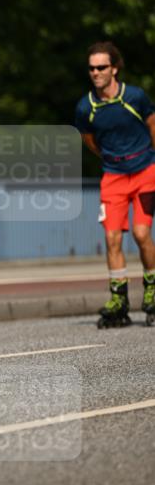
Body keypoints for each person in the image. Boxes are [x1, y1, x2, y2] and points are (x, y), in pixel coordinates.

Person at [74, 42, 155, 327]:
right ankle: (119, 298)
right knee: (111, 239)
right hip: (113, 176)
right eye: (92, 68)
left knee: (142, 233)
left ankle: (152, 290)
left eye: (101, 67)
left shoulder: (134, 97)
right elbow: (90, 141)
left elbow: (153, 126)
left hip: (145, 171)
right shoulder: (86, 107)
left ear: (114, 68)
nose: (95, 72)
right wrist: (112, 158)